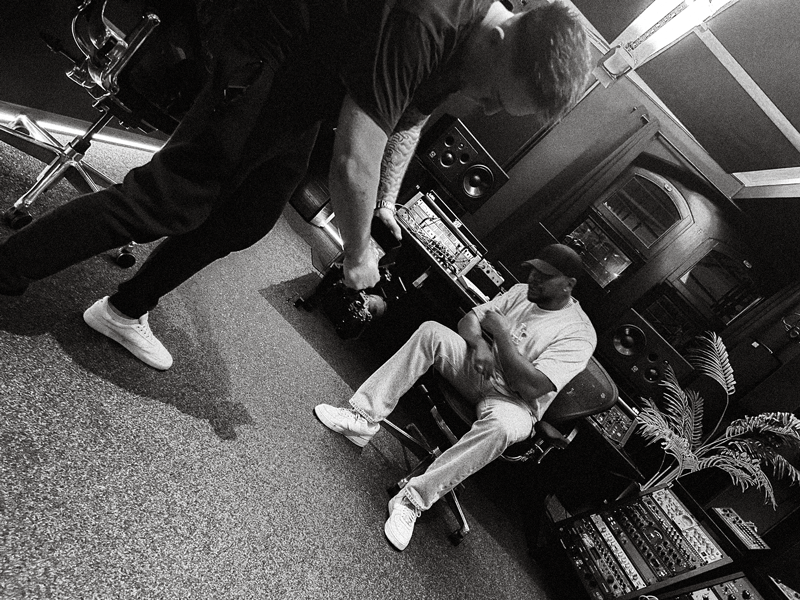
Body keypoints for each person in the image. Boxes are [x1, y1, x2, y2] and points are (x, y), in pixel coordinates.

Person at [0, 1, 593, 370]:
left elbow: (407, 122)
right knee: (173, 197)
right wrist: (357, 254)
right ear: (500, 40)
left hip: (311, 72)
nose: (487, 108)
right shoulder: (429, 20)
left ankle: (124, 309)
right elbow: (353, 160)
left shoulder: (472, 53)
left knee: (248, 215)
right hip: (269, 36)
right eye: (495, 97)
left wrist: (385, 206)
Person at [314, 243, 597, 551]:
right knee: (431, 332)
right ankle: (363, 419)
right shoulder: (520, 292)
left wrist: (501, 334)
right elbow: (469, 321)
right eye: (533, 271)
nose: (534, 279)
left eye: (545, 276)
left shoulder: (579, 334)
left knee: (502, 428)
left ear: (569, 285)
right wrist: (479, 344)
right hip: (482, 371)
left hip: (517, 403)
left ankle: (413, 499)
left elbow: (531, 386)